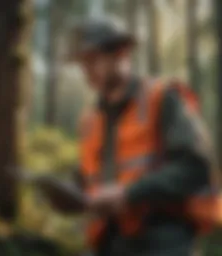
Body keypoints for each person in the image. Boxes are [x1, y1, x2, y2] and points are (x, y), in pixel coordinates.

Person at [53, 18, 220, 256]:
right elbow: (92, 177)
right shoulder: (91, 120)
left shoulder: (162, 98)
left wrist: (128, 193)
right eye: (82, 63)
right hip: (109, 242)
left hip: (164, 240)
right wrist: (70, 193)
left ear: (122, 53)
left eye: (93, 59)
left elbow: (196, 165)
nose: (86, 70)